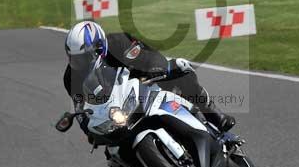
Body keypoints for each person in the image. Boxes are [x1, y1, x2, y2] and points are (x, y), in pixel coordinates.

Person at [63, 21, 236, 133]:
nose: (80, 63)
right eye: (74, 58)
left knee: (182, 72)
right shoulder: (71, 77)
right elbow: (79, 107)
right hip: (116, 106)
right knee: (111, 152)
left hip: (143, 79)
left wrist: (158, 67)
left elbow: (148, 55)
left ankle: (213, 114)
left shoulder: (119, 42)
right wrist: (86, 126)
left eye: (84, 57)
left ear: (99, 49)